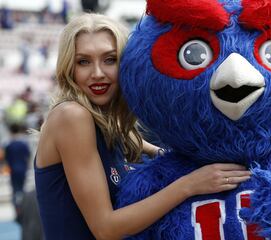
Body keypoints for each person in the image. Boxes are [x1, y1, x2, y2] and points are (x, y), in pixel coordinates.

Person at [34, 13, 252, 240]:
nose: (97, 73)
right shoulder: (72, 116)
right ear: (69, 68)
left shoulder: (111, 124)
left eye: (109, 60)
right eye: (83, 62)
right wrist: (190, 184)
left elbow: (160, 152)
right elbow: (105, 228)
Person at [4, 123, 31, 222]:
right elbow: (28, 156)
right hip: (22, 169)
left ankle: (17, 212)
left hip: (13, 170)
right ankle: (23, 211)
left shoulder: (8, 144)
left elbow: (6, 159)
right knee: (22, 191)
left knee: (15, 191)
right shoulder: (23, 143)